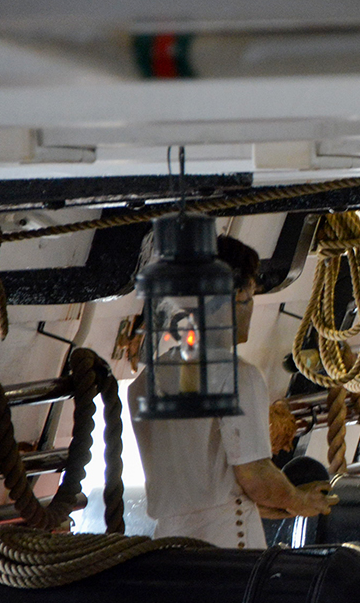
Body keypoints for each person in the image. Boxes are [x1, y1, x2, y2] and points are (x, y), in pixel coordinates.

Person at [129, 235, 334, 548]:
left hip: (167, 547)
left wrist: (268, 503)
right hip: (226, 546)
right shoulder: (238, 376)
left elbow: (198, 491)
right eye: (250, 294)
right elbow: (256, 477)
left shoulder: (143, 383)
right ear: (234, 294)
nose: (250, 308)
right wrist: (299, 500)